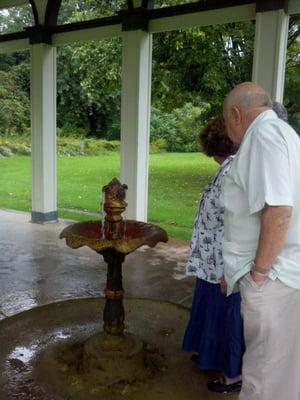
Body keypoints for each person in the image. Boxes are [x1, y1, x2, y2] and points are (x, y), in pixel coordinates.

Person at [221, 81, 300, 400]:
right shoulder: (286, 135)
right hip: (284, 277)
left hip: (274, 280)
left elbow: (279, 209)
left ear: (236, 114)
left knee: (262, 382)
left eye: (227, 121)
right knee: (284, 377)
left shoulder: (263, 137)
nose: (228, 131)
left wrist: (258, 274)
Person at [182, 116, 244, 393]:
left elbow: (238, 223)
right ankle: (211, 357)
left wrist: (230, 270)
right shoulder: (228, 169)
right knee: (211, 312)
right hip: (212, 262)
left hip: (223, 264)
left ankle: (233, 376)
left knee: (227, 318)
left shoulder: (232, 172)